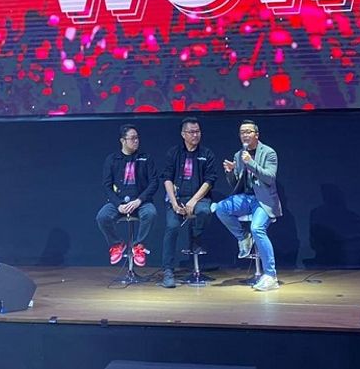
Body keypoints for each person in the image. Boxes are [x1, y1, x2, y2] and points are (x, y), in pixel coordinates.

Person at [213, 120, 282, 291]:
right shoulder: (239, 155)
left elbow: (269, 178)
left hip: (263, 200)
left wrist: (250, 162)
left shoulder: (268, 153)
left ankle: (271, 276)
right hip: (246, 198)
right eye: (242, 132)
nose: (245, 135)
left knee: (257, 228)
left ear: (256, 135)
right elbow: (236, 184)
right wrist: (230, 172)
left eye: (248, 132)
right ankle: (243, 237)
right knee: (220, 208)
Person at [159, 117, 218, 288]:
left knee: (204, 212)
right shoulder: (174, 153)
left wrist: (193, 201)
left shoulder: (206, 154)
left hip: (199, 198)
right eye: (191, 132)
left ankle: (196, 236)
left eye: (198, 131)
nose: (195, 135)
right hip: (177, 198)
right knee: (172, 227)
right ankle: (168, 271)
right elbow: (167, 178)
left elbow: (210, 180)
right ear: (183, 134)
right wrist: (174, 202)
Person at [96, 124, 157, 267]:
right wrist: (118, 204)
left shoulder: (145, 158)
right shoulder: (112, 159)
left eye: (137, 138)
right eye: (132, 138)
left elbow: (154, 183)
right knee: (102, 217)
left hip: (141, 202)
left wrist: (139, 200)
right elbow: (107, 186)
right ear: (123, 141)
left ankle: (138, 245)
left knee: (151, 213)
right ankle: (117, 244)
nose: (136, 141)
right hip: (119, 202)